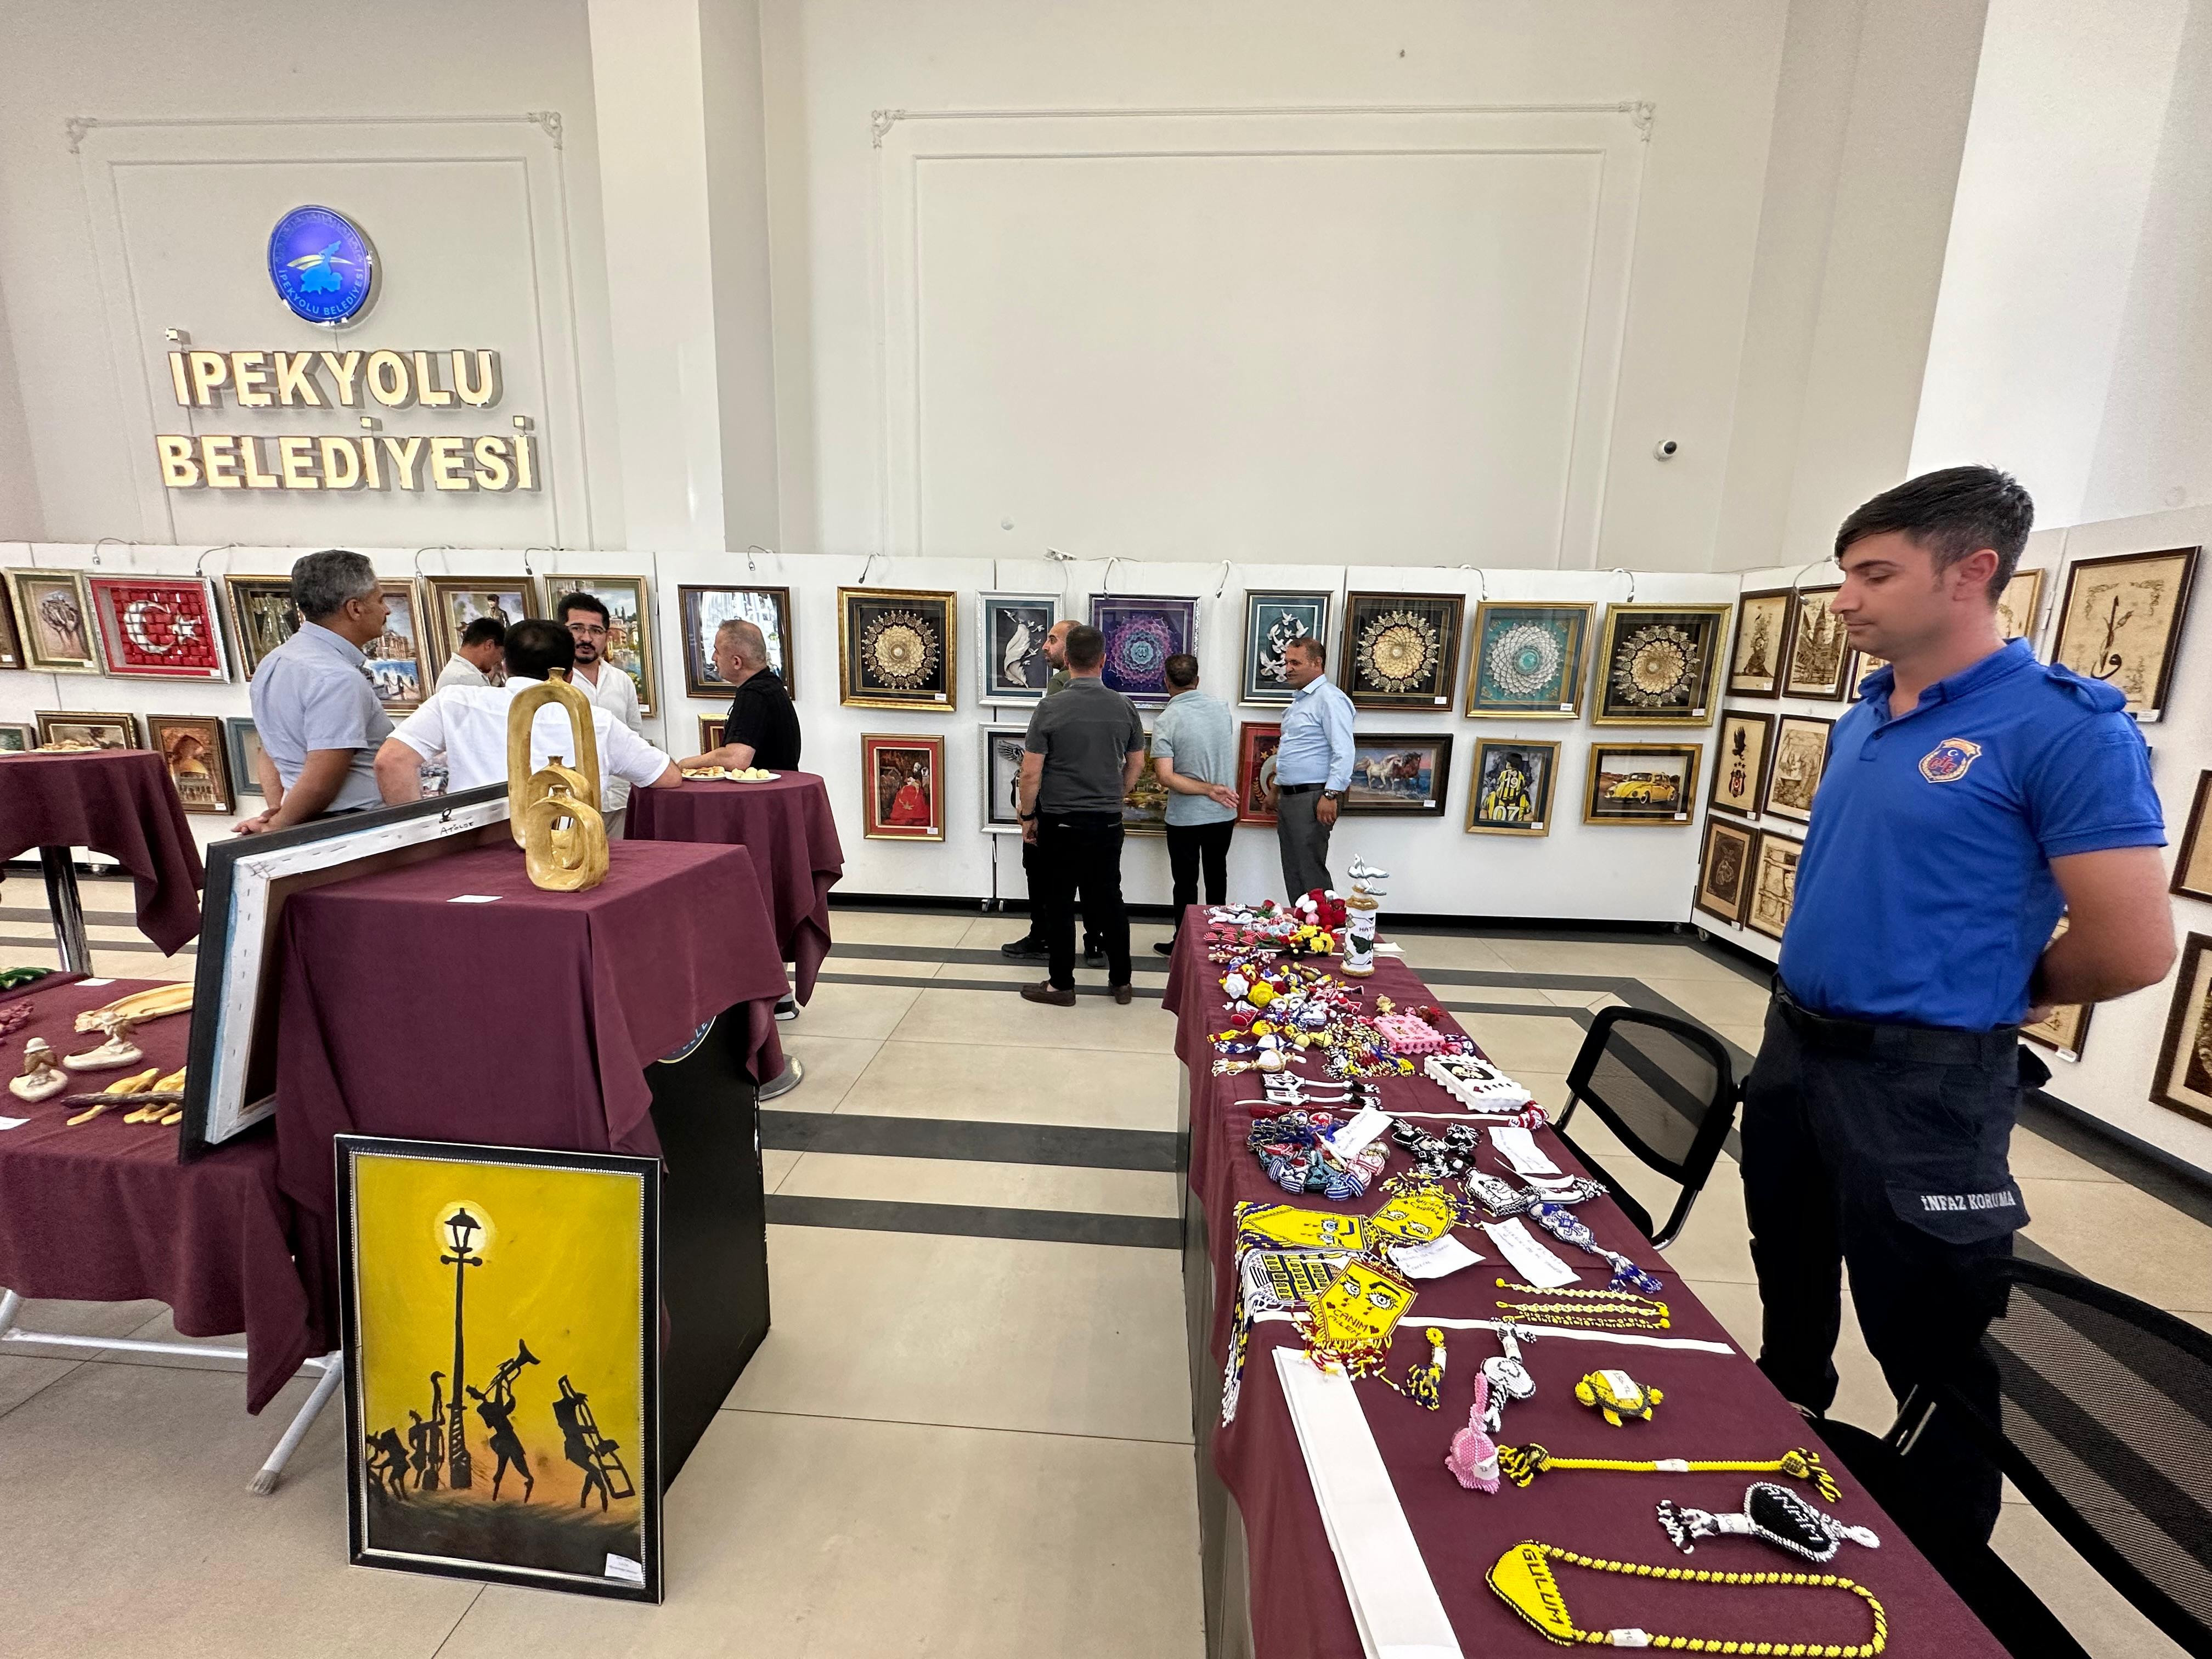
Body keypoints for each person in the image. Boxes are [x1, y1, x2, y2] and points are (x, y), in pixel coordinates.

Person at [1742, 465, 2173, 1558]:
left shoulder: (2064, 730)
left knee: (1929, 1331)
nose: (1845, 598)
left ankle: (1946, 1564)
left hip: (1923, 1081)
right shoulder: (1867, 716)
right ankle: (1776, 1434)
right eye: (1844, 572)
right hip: (1797, 1048)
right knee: (1790, 1274)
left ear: (1971, 571)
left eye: (1875, 574)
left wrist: (1989, 992)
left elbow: (2133, 945)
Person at [374, 619, 682, 825]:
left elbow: (391, 762)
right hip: (566, 854)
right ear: (570, 674)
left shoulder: (455, 701)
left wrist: (422, 833)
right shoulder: (596, 720)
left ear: (505, 665)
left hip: (470, 849)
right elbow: (665, 776)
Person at [1016, 624, 1146, 1007]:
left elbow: (1030, 773)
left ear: (1068, 660)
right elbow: (1137, 763)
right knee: (1110, 899)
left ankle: (1062, 986)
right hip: (1106, 821)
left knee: (1059, 902)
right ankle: (1121, 982)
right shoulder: (1124, 706)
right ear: (1103, 660)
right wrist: (1116, 794)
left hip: (1061, 822)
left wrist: (1028, 816)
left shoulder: (1050, 707)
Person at [238, 548, 394, 833]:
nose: (387, 610)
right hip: (349, 827)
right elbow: (322, 781)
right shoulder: (336, 678)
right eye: (381, 600)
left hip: (307, 820)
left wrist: (277, 811)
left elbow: (270, 750)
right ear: (355, 609)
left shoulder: (274, 661)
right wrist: (276, 829)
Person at [1000, 619, 1105, 964]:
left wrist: (1028, 809)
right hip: (1095, 806)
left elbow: (1040, 759)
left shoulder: (1061, 685)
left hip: (1055, 802)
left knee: (1043, 873)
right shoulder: (1104, 693)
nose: (1045, 646)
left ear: (1071, 649)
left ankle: (1043, 938)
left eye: (1053, 640)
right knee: (1095, 878)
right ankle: (1095, 942)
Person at [1149, 653, 1239, 955]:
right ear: (1197, 680)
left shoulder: (1166, 721)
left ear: (1166, 682)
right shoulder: (1222, 709)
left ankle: (1184, 944)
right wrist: (1213, 789)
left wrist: (1206, 789)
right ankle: (1219, 939)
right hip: (1222, 812)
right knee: (1217, 875)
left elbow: (1165, 777)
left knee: (1185, 883)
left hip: (1185, 818)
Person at [1269, 635, 1355, 899]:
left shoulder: (1330, 699)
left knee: (1311, 872)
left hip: (1314, 796)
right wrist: (1275, 790)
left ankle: (1325, 925)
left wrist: (1330, 795)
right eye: (1287, 662)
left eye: (1295, 663)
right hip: (1291, 796)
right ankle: (1301, 923)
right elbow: (1294, 751)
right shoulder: (1302, 701)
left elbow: (1344, 751)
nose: (1288, 669)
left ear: (1317, 663)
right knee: (1293, 870)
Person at [555, 591, 645, 831]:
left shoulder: (622, 681)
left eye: (596, 631)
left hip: (619, 800)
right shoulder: (551, 684)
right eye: (577, 629)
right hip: (569, 805)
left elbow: (635, 736)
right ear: (562, 631)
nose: (586, 638)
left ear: (606, 636)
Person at [676, 618, 800, 771]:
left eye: (717, 651)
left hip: (766, 788)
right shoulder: (771, 686)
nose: (713, 658)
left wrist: (683, 765)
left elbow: (736, 759)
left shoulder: (754, 695)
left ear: (737, 662)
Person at [436, 616, 506, 691]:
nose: (500, 660)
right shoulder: (458, 680)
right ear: (489, 645)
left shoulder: (463, 675)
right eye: (501, 653)